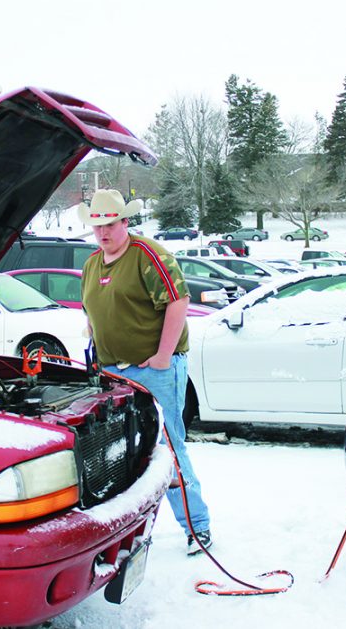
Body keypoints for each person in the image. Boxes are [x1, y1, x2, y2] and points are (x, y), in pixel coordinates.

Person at [78, 189, 212, 555]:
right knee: (119, 453)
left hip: (153, 371)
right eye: (97, 226)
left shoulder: (148, 255)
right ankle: (124, 531)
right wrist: (93, 335)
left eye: (110, 224)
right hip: (111, 373)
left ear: (125, 222)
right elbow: (92, 310)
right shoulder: (92, 264)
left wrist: (163, 356)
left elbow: (177, 302)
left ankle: (196, 528)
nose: (103, 232)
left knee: (167, 448)